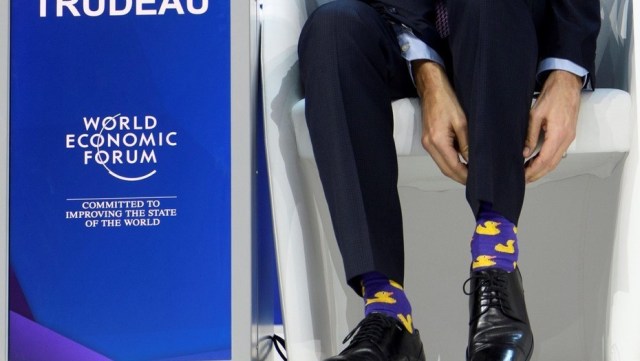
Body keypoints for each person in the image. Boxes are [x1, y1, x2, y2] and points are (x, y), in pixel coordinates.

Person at [298, 0, 600, 360]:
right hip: (404, 31)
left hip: (509, 33)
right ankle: (388, 313)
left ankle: (497, 266)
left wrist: (567, 71)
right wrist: (427, 71)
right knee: (332, 27)